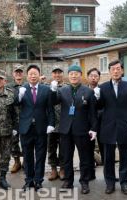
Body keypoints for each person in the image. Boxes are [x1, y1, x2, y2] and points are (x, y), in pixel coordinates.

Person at [52, 65, 97, 194]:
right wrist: (53, 91)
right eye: (71, 73)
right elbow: (53, 102)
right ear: (68, 75)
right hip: (66, 129)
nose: (73, 76)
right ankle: (68, 181)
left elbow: (93, 113)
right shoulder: (63, 90)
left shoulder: (88, 91)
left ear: (80, 75)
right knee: (66, 157)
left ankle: (84, 182)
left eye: (76, 73)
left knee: (84, 158)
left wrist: (94, 128)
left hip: (82, 129)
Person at [96, 60, 127, 195]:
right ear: (109, 71)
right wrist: (97, 98)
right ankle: (110, 183)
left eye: (118, 69)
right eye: (113, 69)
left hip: (125, 126)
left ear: (122, 71)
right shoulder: (102, 88)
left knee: (125, 157)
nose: (116, 71)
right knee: (108, 158)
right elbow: (98, 108)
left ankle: (125, 183)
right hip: (107, 126)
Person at [16, 64, 55, 191]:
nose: (33, 76)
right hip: (26, 128)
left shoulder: (46, 89)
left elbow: (50, 109)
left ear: (39, 75)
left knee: (40, 155)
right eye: (31, 74)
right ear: (27, 76)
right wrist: (19, 96)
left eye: (35, 73)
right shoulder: (22, 89)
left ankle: (38, 180)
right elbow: (15, 104)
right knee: (27, 156)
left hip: (41, 127)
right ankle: (29, 180)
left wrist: (51, 124)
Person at [47, 65, 66, 181]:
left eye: (59, 72)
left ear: (62, 74)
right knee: (51, 148)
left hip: (64, 123)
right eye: (55, 72)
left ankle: (62, 168)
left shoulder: (67, 88)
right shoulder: (46, 88)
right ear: (52, 74)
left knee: (64, 148)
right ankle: (53, 169)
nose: (57, 75)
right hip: (51, 124)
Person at [6, 64, 25, 173]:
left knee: (26, 141)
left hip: (25, 118)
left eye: (20, 72)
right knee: (13, 141)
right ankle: (16, 161)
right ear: (13, 74)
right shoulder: (8, 87)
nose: (18, 74)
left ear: (23, 74)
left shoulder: (27, 86)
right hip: (13, 119)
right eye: (16, 72)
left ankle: (26, 161)